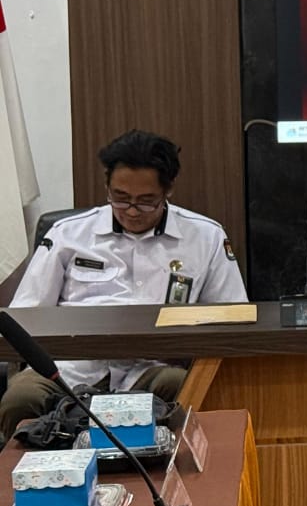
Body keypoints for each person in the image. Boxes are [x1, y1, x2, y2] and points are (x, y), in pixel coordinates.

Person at [3, 129, 246, 440]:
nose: (131, 211)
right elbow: (26, 316)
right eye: (120, 198)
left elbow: (232, 317)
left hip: (152, 368)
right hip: (70, 370)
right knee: (20, 399)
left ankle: (175, 471)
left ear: (168, 190)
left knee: (181, 387)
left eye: (146, 202)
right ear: (107, 186)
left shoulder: (205, 237)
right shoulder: (68, 234)